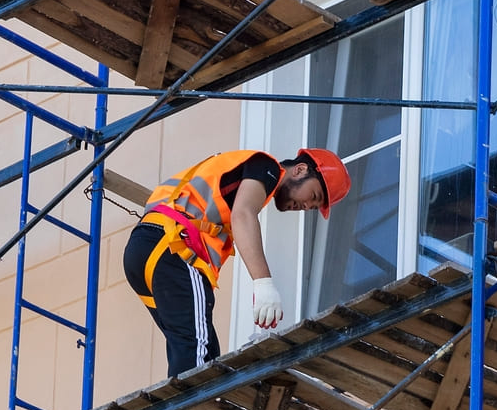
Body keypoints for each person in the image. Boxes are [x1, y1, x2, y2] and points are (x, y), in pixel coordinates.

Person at [124, 147, 351, 376]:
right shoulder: (267, 167)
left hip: (144, 248)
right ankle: (192, 409)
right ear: (300, 170)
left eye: (312, 208)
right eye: (313, 197)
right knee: (196, 352)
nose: (307, 207)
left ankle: (189, 406)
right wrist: (263, 283)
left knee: (201, 349)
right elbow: (243, 214)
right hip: (172, 249)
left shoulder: (239, 175)